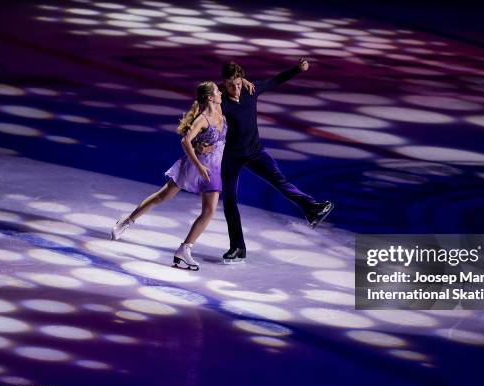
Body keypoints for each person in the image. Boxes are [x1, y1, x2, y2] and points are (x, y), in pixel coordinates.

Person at [217, 58, 334, 264]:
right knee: (229, 201)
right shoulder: (221, 100)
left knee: (279, 180)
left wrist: (297, 69)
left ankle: (311, 209)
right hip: (232, 156)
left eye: (238, 83)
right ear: (224, 83)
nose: (235, 88)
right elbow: (203, 94)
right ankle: (238, 247)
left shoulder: (251, 91)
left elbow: (276, 80)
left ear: (242, 80)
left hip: (255, 151)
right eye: (230, 84)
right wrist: (219, 90)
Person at [110, 81, 227, 271]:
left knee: (209, 211)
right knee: (163, 196)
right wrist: (198, 164)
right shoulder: (202, 119)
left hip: (214, 168)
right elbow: (185, 141)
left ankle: (184, 249)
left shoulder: (220, 111)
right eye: (217, 91)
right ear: (210, 97)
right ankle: (126, 221)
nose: (220, 92)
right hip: (197, 166)